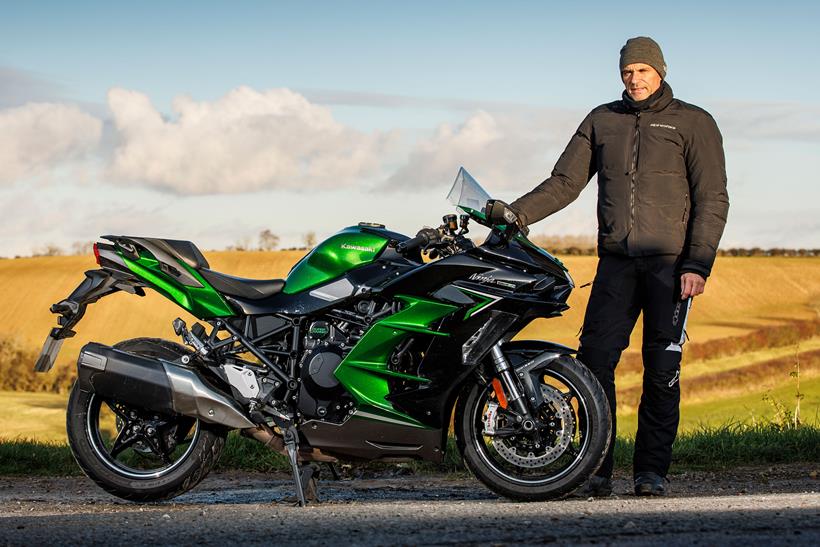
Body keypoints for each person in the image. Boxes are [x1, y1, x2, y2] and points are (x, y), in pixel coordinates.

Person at [493, 37, 729, 496]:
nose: (634, 79)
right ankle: (596, 469)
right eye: (627, 72)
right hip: (616, 265)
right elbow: (564, 182)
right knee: (594, 364)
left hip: (671, 267)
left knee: (662, 371)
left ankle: (650, 473)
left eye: (643, 70)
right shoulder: (602, 121)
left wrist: (698, 263)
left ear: (660, 71)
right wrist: (515, 214)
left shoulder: (694, 122)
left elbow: (712, 199)